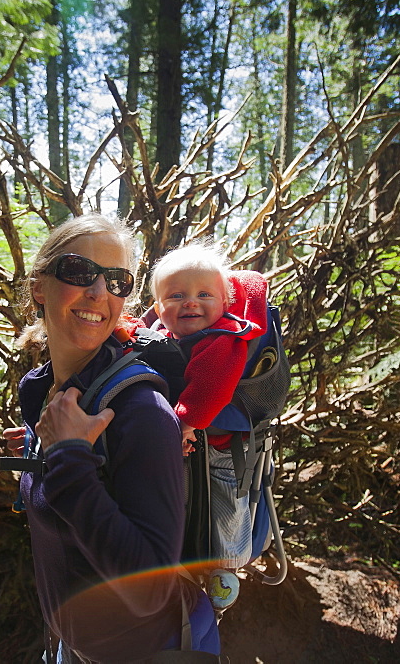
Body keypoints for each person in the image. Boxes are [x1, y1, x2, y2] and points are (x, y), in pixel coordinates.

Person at [3, 214, 220, 662]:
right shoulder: (45, 395)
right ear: (38, 288)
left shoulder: (141, 413)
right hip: (70, 646)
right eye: (80, 272)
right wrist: (37, 449)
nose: (100, 292)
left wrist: (68, 459)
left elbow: (151, 589)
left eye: (117, 280)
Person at [148, 243, 269, 572]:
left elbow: (211, 387)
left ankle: (228, 568)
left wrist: (184, 425)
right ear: (158, 308)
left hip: (225, 447)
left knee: (228, 502)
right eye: (175, 296)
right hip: (196, 441)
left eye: (204, 295)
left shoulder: (224, 337)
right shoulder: (160, 332)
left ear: (225, 302)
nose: (190, 302)